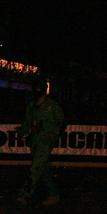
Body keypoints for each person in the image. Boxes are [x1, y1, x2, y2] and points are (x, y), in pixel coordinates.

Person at [16, 76, 64, 206]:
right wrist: (20, 132)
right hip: (35, 141)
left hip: (46, 141)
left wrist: (52, 134)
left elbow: (61, 124)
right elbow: (27, 123)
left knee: (36, 168)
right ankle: (53, 194)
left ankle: (25, 195)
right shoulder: (32, 106)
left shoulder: (52, 106)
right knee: (42, 169)